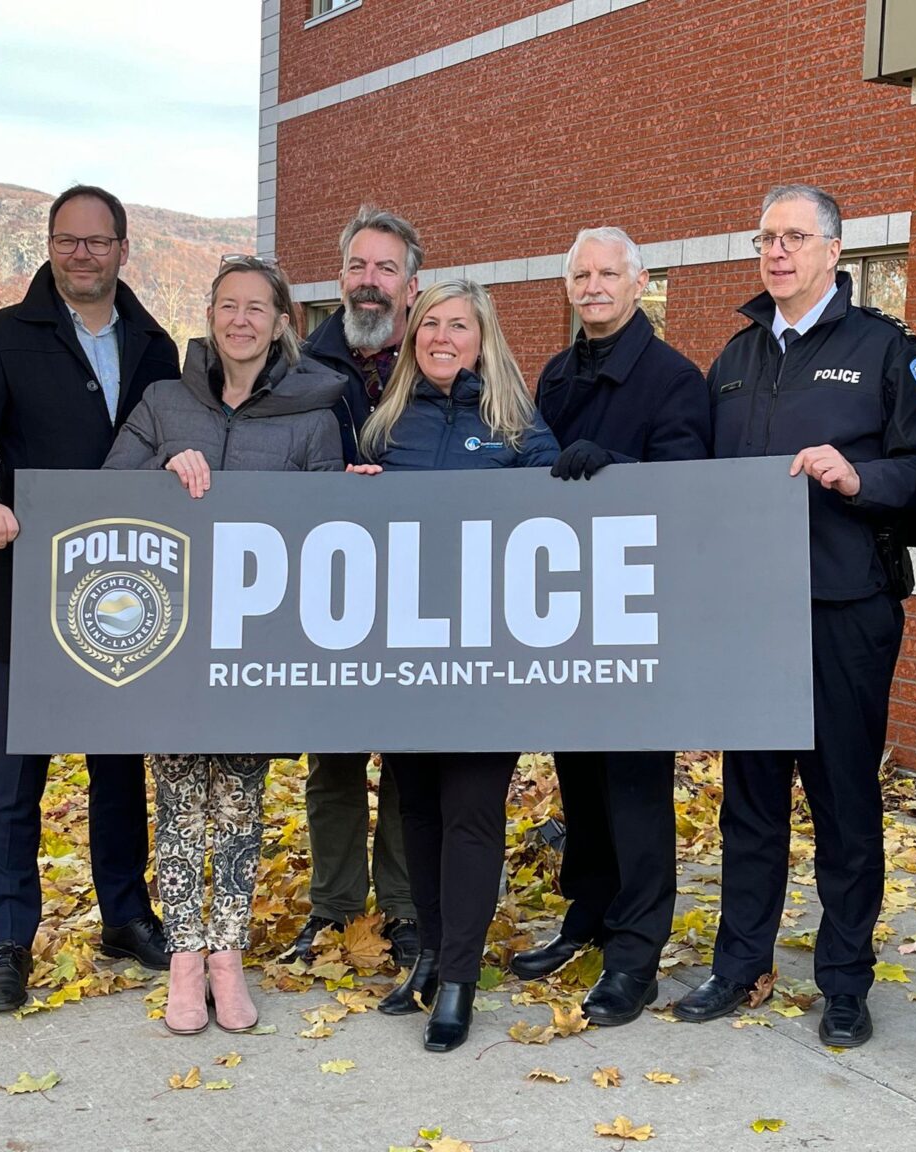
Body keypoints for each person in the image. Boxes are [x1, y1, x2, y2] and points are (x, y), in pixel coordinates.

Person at [678, 185, 916, 1047]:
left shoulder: (884, 350)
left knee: (842, 805)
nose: (777, 251)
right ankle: (739, 965)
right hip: (750, 617)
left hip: (844, 609)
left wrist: (861, 478)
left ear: (834, 250)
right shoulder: (736, 356)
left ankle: (846, 982)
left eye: (795, 236)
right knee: (749, 802)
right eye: (766, 238)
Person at [0, 184, 181, 1013]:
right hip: (29, 588)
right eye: (67, 240)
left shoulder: (156, 345)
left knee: (120, 769)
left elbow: (178, 445)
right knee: (14, 778)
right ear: (49, 245)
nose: (81, 254)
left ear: (122, 249)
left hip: (129, 592)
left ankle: (125, 916)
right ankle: (8, 942)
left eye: (97, 241)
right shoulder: (1, 336)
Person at [105, 255, 345, 1034]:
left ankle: (227, 956)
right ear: (209, 315)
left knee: (240, 802)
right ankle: (184, 959)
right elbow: (104, 493)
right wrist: (160, 464)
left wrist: (361, 491)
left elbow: (332, 527)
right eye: (228, 305)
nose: (241, 320)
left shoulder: (314, 413)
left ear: (280, 323)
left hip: (258, 641)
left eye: (256, 308)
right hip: (172, 636)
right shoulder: (163, 401)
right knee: (178, 801)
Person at [509, 227, 710, 1026]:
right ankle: (587, 916)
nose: (593, 286)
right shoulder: (556, 374)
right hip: (568, 606)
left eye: (607, 273)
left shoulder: (673, 378)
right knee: (582, 780)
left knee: (633, 787)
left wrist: (619, 470)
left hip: (636, 610)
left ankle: (636, 952)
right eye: (580, 275)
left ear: (638, 282)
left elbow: (692, 488)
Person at [352, 279, 558, 1052]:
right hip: (404, 651)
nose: (442, 336)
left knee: (471, 812)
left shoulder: (515, 423)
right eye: (430, 323)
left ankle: (461, 980)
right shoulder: (385, 425)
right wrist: (351, 493)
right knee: (417, 812)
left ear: (483, 338)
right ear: (414, 337)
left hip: (488, 654)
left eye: (459, 325)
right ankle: (433, 958)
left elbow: (562, 509)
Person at [281, 206, 424, 968]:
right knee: (333, 759)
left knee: (407, 757)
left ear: (411, 285)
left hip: (417, 587)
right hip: (327, 587)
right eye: (358, 267)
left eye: (386, 269)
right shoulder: (298, 368)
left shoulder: (439, 357)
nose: (370, 283)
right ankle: (335, 909)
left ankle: (403, 908)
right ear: (340, 277)